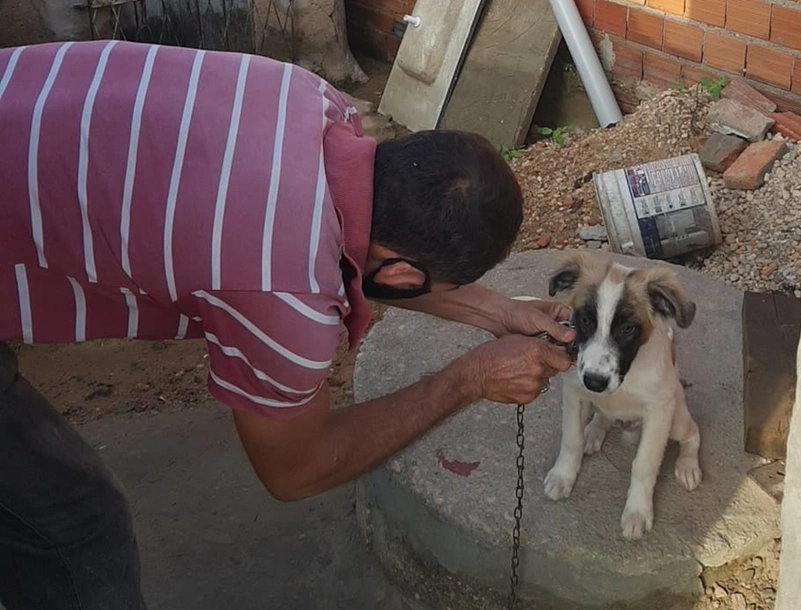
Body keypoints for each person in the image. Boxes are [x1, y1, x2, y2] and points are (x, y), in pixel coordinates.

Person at [0, 39, 575, 609]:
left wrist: (498, 312)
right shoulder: (283, 290)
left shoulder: (310, 100)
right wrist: (467, 379)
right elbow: (296, 469)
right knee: (71, 531)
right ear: (402, 275)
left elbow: (366, 254)